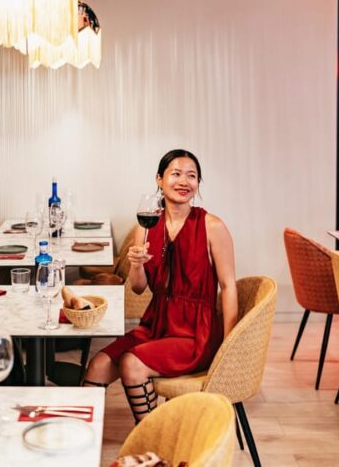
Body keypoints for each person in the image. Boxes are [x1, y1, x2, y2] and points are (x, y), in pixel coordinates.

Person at [82, 149, 239, 423]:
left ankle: (152, 440)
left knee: (132, 364)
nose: (184, 181)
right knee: (98, 364)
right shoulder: (146, 224)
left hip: (195, 333)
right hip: (157, 324)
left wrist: (229, 346)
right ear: (159, 180)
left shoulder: (212, 226)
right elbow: (139, 289)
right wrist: (136, 264)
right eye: (175, 174)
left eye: (192, 176)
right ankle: (75, 445)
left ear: (198, 184)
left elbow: (228, 287)